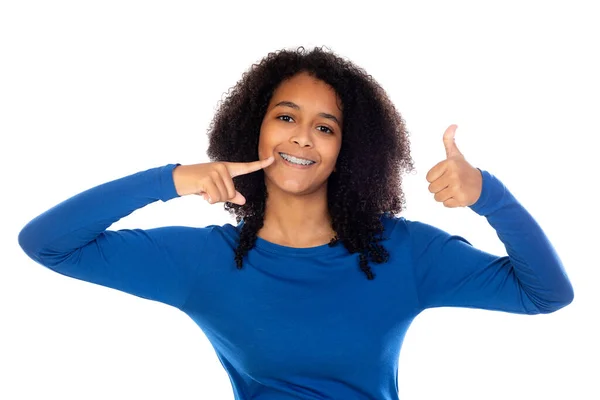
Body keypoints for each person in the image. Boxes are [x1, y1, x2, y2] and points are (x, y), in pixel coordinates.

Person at [17, 46, 574, 400]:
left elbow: (546, 294)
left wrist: (489, 196)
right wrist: (172, 178)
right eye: (286, 117)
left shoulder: (403, 253)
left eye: (325, 127)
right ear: (254, 131)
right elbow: (47, 244)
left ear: (348, 150)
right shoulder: (203, 261)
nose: (302, 137)